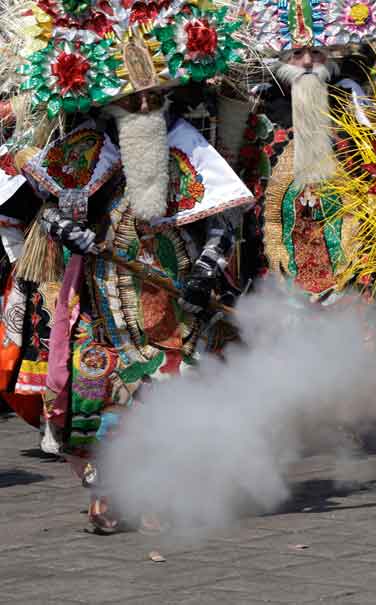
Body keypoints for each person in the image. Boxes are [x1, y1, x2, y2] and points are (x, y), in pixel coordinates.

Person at [10, 0, 253, 531]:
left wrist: (209, 267)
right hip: (104, 295)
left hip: (177, 295)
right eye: (132, 96)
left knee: (178, 385)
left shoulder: (188, 146)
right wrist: (67, 229)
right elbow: (43, 212)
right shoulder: (84, 149)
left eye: (153, 95)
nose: (144, 102)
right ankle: (108, 494)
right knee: (103, 389)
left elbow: (222, 219)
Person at [235, 0, 376, 297]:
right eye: (296, 54)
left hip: (348, 245)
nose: (307, 62)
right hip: (278, 249)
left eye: (316, 53)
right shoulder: (260, 106)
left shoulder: (351, 98)